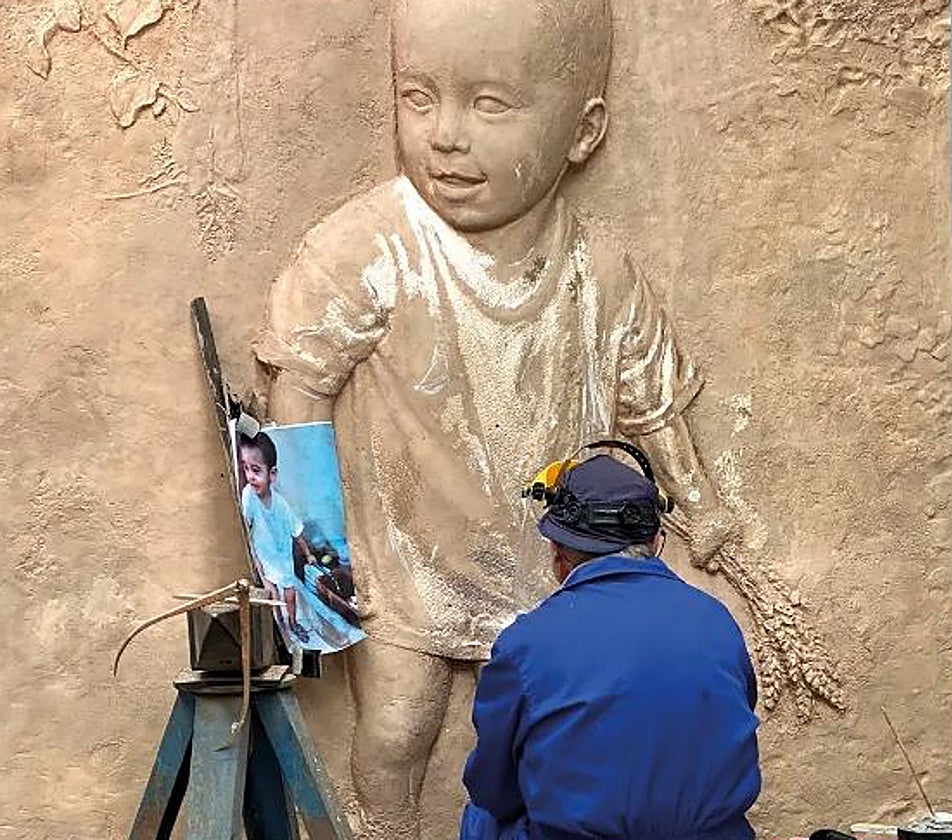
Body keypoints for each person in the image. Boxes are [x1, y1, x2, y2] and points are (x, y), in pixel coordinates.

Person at [253, 0, 740, 832]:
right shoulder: (364, 246)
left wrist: (700, 500)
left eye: (489, 104)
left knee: (553, 733)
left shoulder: (600, 269)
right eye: (419, 97)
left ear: (583, 132)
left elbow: (648, 400)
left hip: (549, 562)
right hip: (403, 557)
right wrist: (314, 558)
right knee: (397, 732)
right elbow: (298, 390)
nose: (446, 136)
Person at [460, 446, 761, 840]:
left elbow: (492, 788)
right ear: (655, 539)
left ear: (557, 552)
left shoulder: (526, 644)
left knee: (483, 817)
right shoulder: (717, 621)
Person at [238, 431, 314, 643]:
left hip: (283, 559)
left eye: (255, 470)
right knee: (272, 596)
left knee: (290, 593)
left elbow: (297, 533)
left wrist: (308, 554)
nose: (250, 476)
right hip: (264, 561)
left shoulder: (281, 505)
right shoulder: (249, 496)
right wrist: (257, 565)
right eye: (245, 469)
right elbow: (245, 529)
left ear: (272, 474)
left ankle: (293, 622)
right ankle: (279, 629)